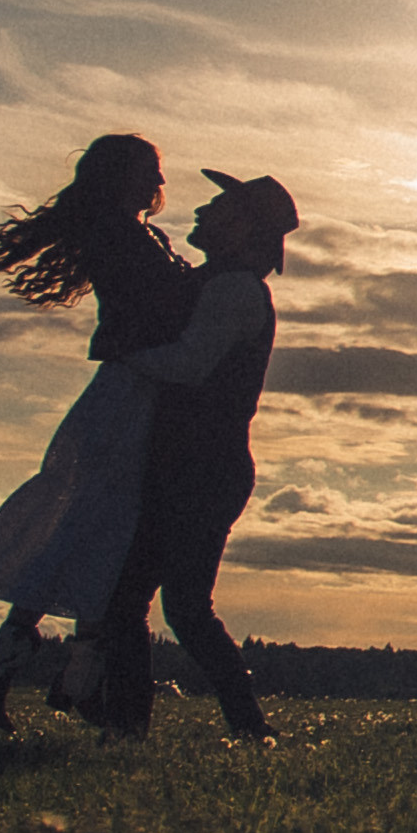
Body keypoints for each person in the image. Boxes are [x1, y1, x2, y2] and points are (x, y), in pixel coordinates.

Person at [0, 133, 192, 730]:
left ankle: (41, 666)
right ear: (119, 177)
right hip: (132, 390)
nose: (157, 182)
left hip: (141, 387)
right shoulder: (123, 237)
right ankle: (36, 666)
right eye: (148, 170)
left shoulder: (133, 235)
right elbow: (150, 313)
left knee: (106, 525)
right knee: (98, 519)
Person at [95, 170, 299, 742]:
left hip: (200, 469)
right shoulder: (219, 282)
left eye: (223, 204)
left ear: (245, 227)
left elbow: (189, 365)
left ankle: (135, 727)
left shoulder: (233, 290)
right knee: (172, 606)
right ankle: (239, 728)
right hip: (195, 465)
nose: (205, 208)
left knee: (153, 603)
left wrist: (122, 351)